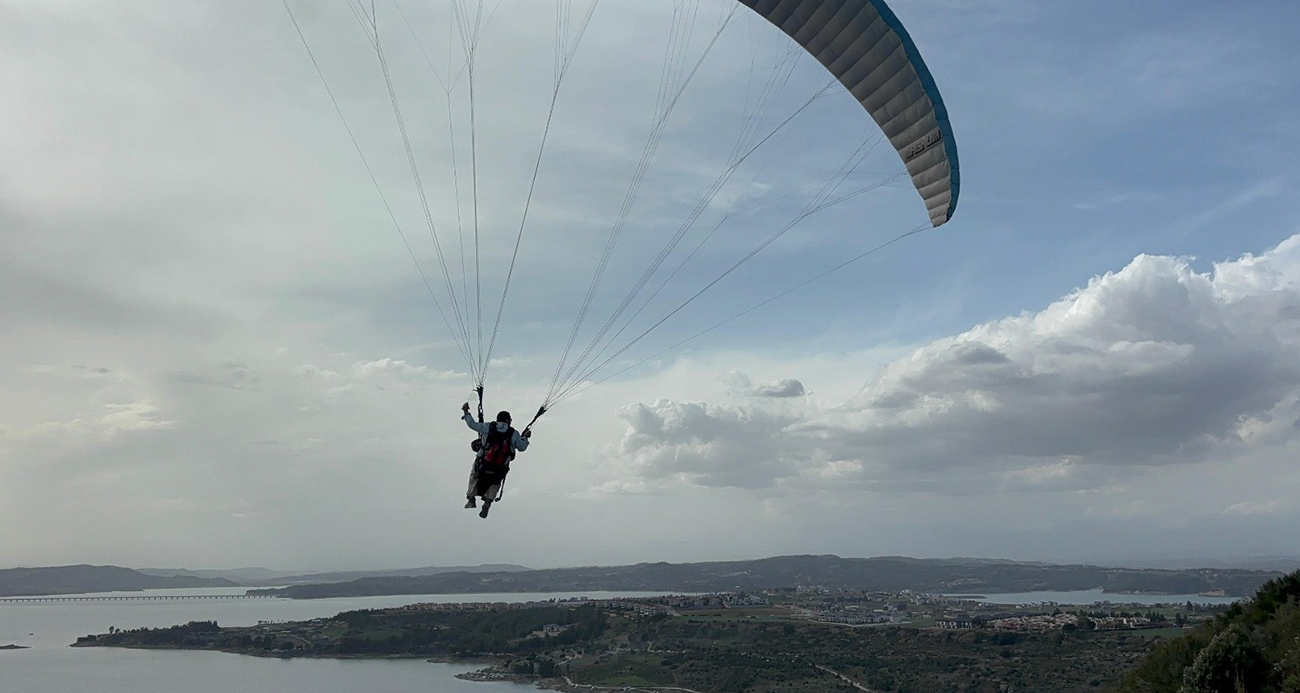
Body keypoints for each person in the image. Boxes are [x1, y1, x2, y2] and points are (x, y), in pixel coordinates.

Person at [461, 403, 531, 518]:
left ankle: (471, 498)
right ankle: (488, 502)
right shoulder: (513, 433)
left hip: (483, 463)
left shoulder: (488, 427)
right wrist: (526, 438)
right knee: (496, 481)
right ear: (507, 420)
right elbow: (521, 447)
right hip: (499, 467)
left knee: (474, 475)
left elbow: (472, 424)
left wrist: (466, 412)